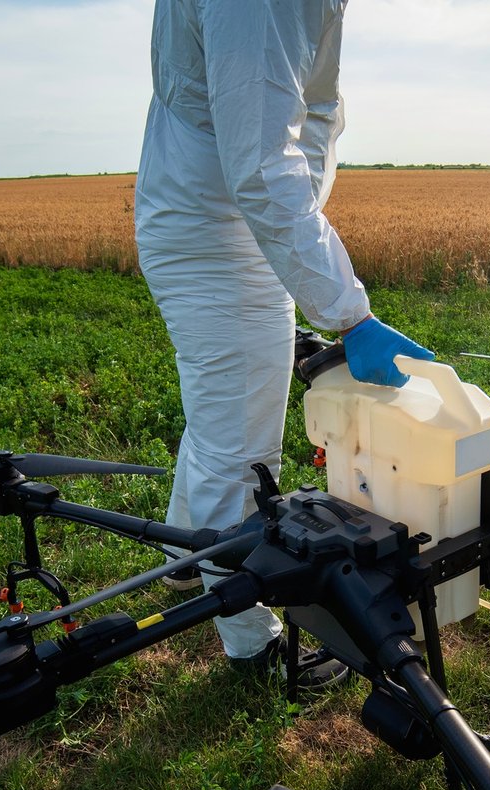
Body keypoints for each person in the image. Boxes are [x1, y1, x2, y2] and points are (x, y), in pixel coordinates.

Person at [135, 0, 434, 687]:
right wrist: (348, 314)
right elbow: (264, 168)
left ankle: (185, 563)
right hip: (220, 234)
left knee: (220, 422)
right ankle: (253, 648)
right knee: (236, 450)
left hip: (231, 227)